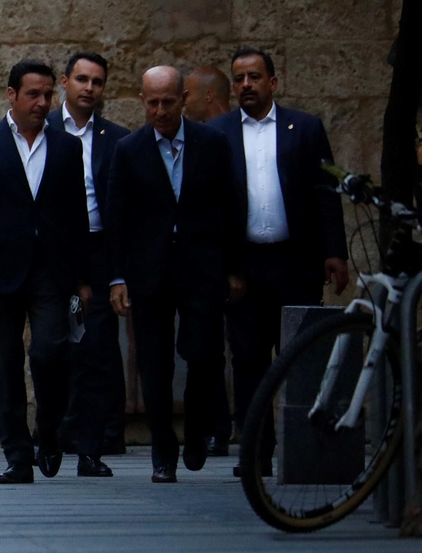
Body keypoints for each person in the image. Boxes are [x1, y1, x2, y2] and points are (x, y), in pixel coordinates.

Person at [210, 48, 349, 478]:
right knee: (249, 361)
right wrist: (225, 268)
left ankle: (308, 447)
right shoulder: (217, 134)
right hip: (245, 268)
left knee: (302, 357)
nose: (246, 85)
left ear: (273, 82)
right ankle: (256, 451)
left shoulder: (304, 128)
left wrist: (335, 252)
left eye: (254, 77)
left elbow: (326, 193)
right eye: (238, 79)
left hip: (296, 262)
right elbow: (212, 208)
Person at [0, 61, 93, 483]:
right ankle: (16, 455)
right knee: (6, 363)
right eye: (33, 94)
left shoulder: (67, 148)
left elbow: (76, 216)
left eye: (48, 94)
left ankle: (47, 433)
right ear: (11, 95)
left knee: (51, 352)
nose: (42, 103)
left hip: (51, 270)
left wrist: (83, 277)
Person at [106, 66, 244, 483]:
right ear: (142, 101)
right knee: (154, 363)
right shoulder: (129, 150)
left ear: (184, 98)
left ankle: (198, 428)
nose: (160, 110)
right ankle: (162, 450)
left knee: (203, 355)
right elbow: (118, 218)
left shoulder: (212, 144)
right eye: (153, 102)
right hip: (150, 271)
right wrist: (117, 277)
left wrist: (235, 268)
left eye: (168, 101)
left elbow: (231, 207)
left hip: (202, 267)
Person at [57, 52, 129, 459]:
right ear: (65, 82)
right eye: (81, 79)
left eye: (97, 82)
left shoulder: (117, 138)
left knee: (98, 343)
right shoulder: (44, 129)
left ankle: (106, 432)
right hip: (59, 251)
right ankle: (62, 427)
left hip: (101, 248)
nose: (89, 88)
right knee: (61, 340)